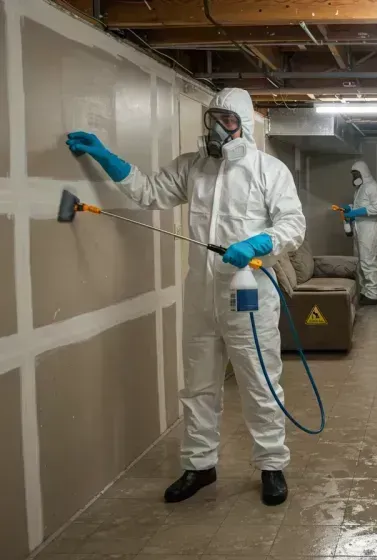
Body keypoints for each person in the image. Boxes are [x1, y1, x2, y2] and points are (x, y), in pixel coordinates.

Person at [65, 88, 305, 506]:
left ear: (243, 125)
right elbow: (148, 192)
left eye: (226, 120)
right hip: (199, 293)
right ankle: (200, 465)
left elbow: (293, 224)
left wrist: (258, 242)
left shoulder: (269, 170)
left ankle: (271, 466)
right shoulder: (192, 168)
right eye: (212, 118)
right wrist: (106, 158)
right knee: (197, 386)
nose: (216, 128)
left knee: (259, 383)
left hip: (247, 292)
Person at [340, 161, 377, 305]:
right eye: (353, 175)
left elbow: (375, 208)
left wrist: (354, 212)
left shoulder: (372, 187)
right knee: (360, 261)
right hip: (360, 227)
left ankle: (373, 294)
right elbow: (361, 205)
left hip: (369, 228)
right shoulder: (360, 188)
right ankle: (366, 291)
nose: (354, 177)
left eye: (356, 174)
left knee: (369, 260)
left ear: (363, 173)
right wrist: (350, 209)